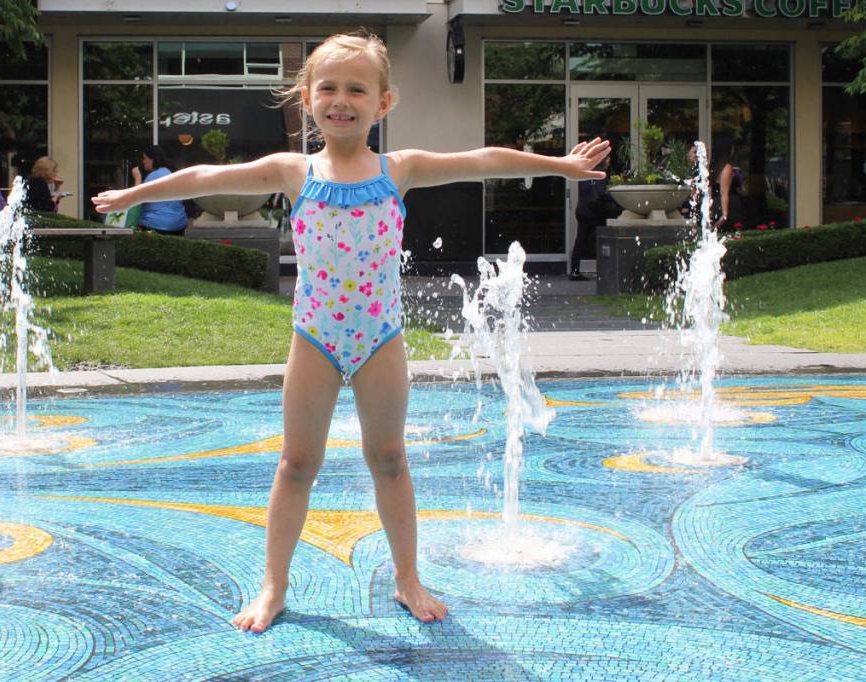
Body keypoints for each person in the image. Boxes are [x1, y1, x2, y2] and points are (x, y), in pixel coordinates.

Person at [92, 31, 609, 634]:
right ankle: (274, 585)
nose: (342, 100)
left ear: (382, 102)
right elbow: (207, 175)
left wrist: (560, 166)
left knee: (390, 458)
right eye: (329, 88)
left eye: (357, 89)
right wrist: (135, 193)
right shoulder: (293, 171)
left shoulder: (401, 169)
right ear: (307, 97)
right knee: (295, 464)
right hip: (314, 336)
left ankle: (407, 578)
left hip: (379, 338)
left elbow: (483, 159)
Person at [569, 155, 612, 281]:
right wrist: (616, 200)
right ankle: (604, 270)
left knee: (580, 241)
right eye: (608, 161)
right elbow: (601, 194)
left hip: (582, 210)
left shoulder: (586, 174)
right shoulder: (600, 175)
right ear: (603, 162)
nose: (609, 163)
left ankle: (574, 270)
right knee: (601, 241)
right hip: (594, 212)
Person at [130, 145, 188, 234]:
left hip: (157, 225)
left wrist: (137, 178)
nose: (143, 161)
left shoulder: (153, 176)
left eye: (145, 158)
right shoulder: (171, 173)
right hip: (179, 224)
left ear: (152, 159)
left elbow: (135, 200)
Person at [709, 137, 743, 230]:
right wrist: (724, 215)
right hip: (728, 205)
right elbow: (724, 193)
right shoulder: (726, 167)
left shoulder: (714, 167)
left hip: (717, 203)